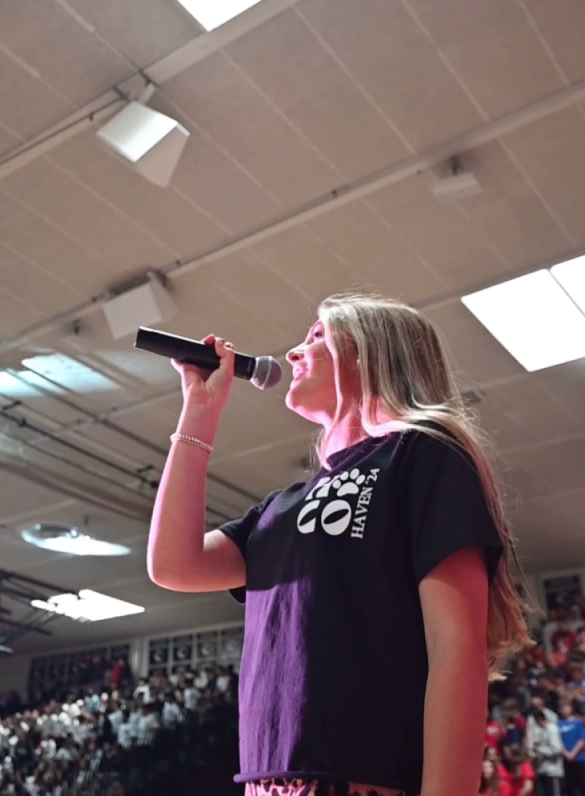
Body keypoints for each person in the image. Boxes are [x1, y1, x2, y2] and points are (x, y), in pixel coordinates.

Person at [147, 294, 532, 796]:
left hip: (364, 780)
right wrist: (198, 412)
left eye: (316, 337)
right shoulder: (280, 507)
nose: (291, 354)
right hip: (268, 782)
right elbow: (174, 564)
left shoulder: (424, 452)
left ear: (370, 353)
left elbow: (455, 644)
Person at [556, 703, 585, 796]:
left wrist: (573, 753)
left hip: (579, 758)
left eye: (567, 707)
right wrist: (566, 753)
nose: (565, 710)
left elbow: (583, 739)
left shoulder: (578, 722)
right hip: (565, 759)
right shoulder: (558, 724)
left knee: (582, 784)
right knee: (568, 785)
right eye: (562, 708)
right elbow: (558, 740)